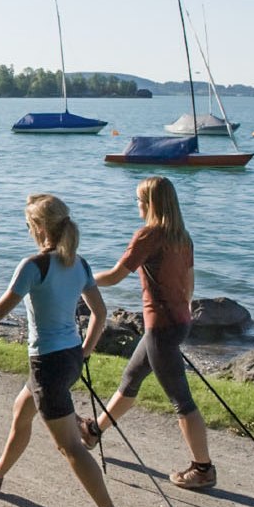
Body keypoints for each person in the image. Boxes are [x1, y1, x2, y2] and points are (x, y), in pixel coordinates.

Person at [0, 193, 127, 507]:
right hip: (68, 359)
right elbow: (100, 314)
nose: (28, 230)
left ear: (40, 227)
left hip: (47, 365)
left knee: (70, 447)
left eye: (29, 224)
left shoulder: (34, 265)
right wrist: (85, 351)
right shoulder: (79, 264)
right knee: (21, 412)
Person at [85, 175, 216, 489]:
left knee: (181, 400)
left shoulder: (148, 236)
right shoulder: (182, 237)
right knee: (130, 379)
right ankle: (94, 432)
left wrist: (82, 279)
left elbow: (116, 275)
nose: (138, 206)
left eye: (140, 200)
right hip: (178, 322)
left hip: (161, 328)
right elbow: (189, 284)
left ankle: (203, 469)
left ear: (151, 204)